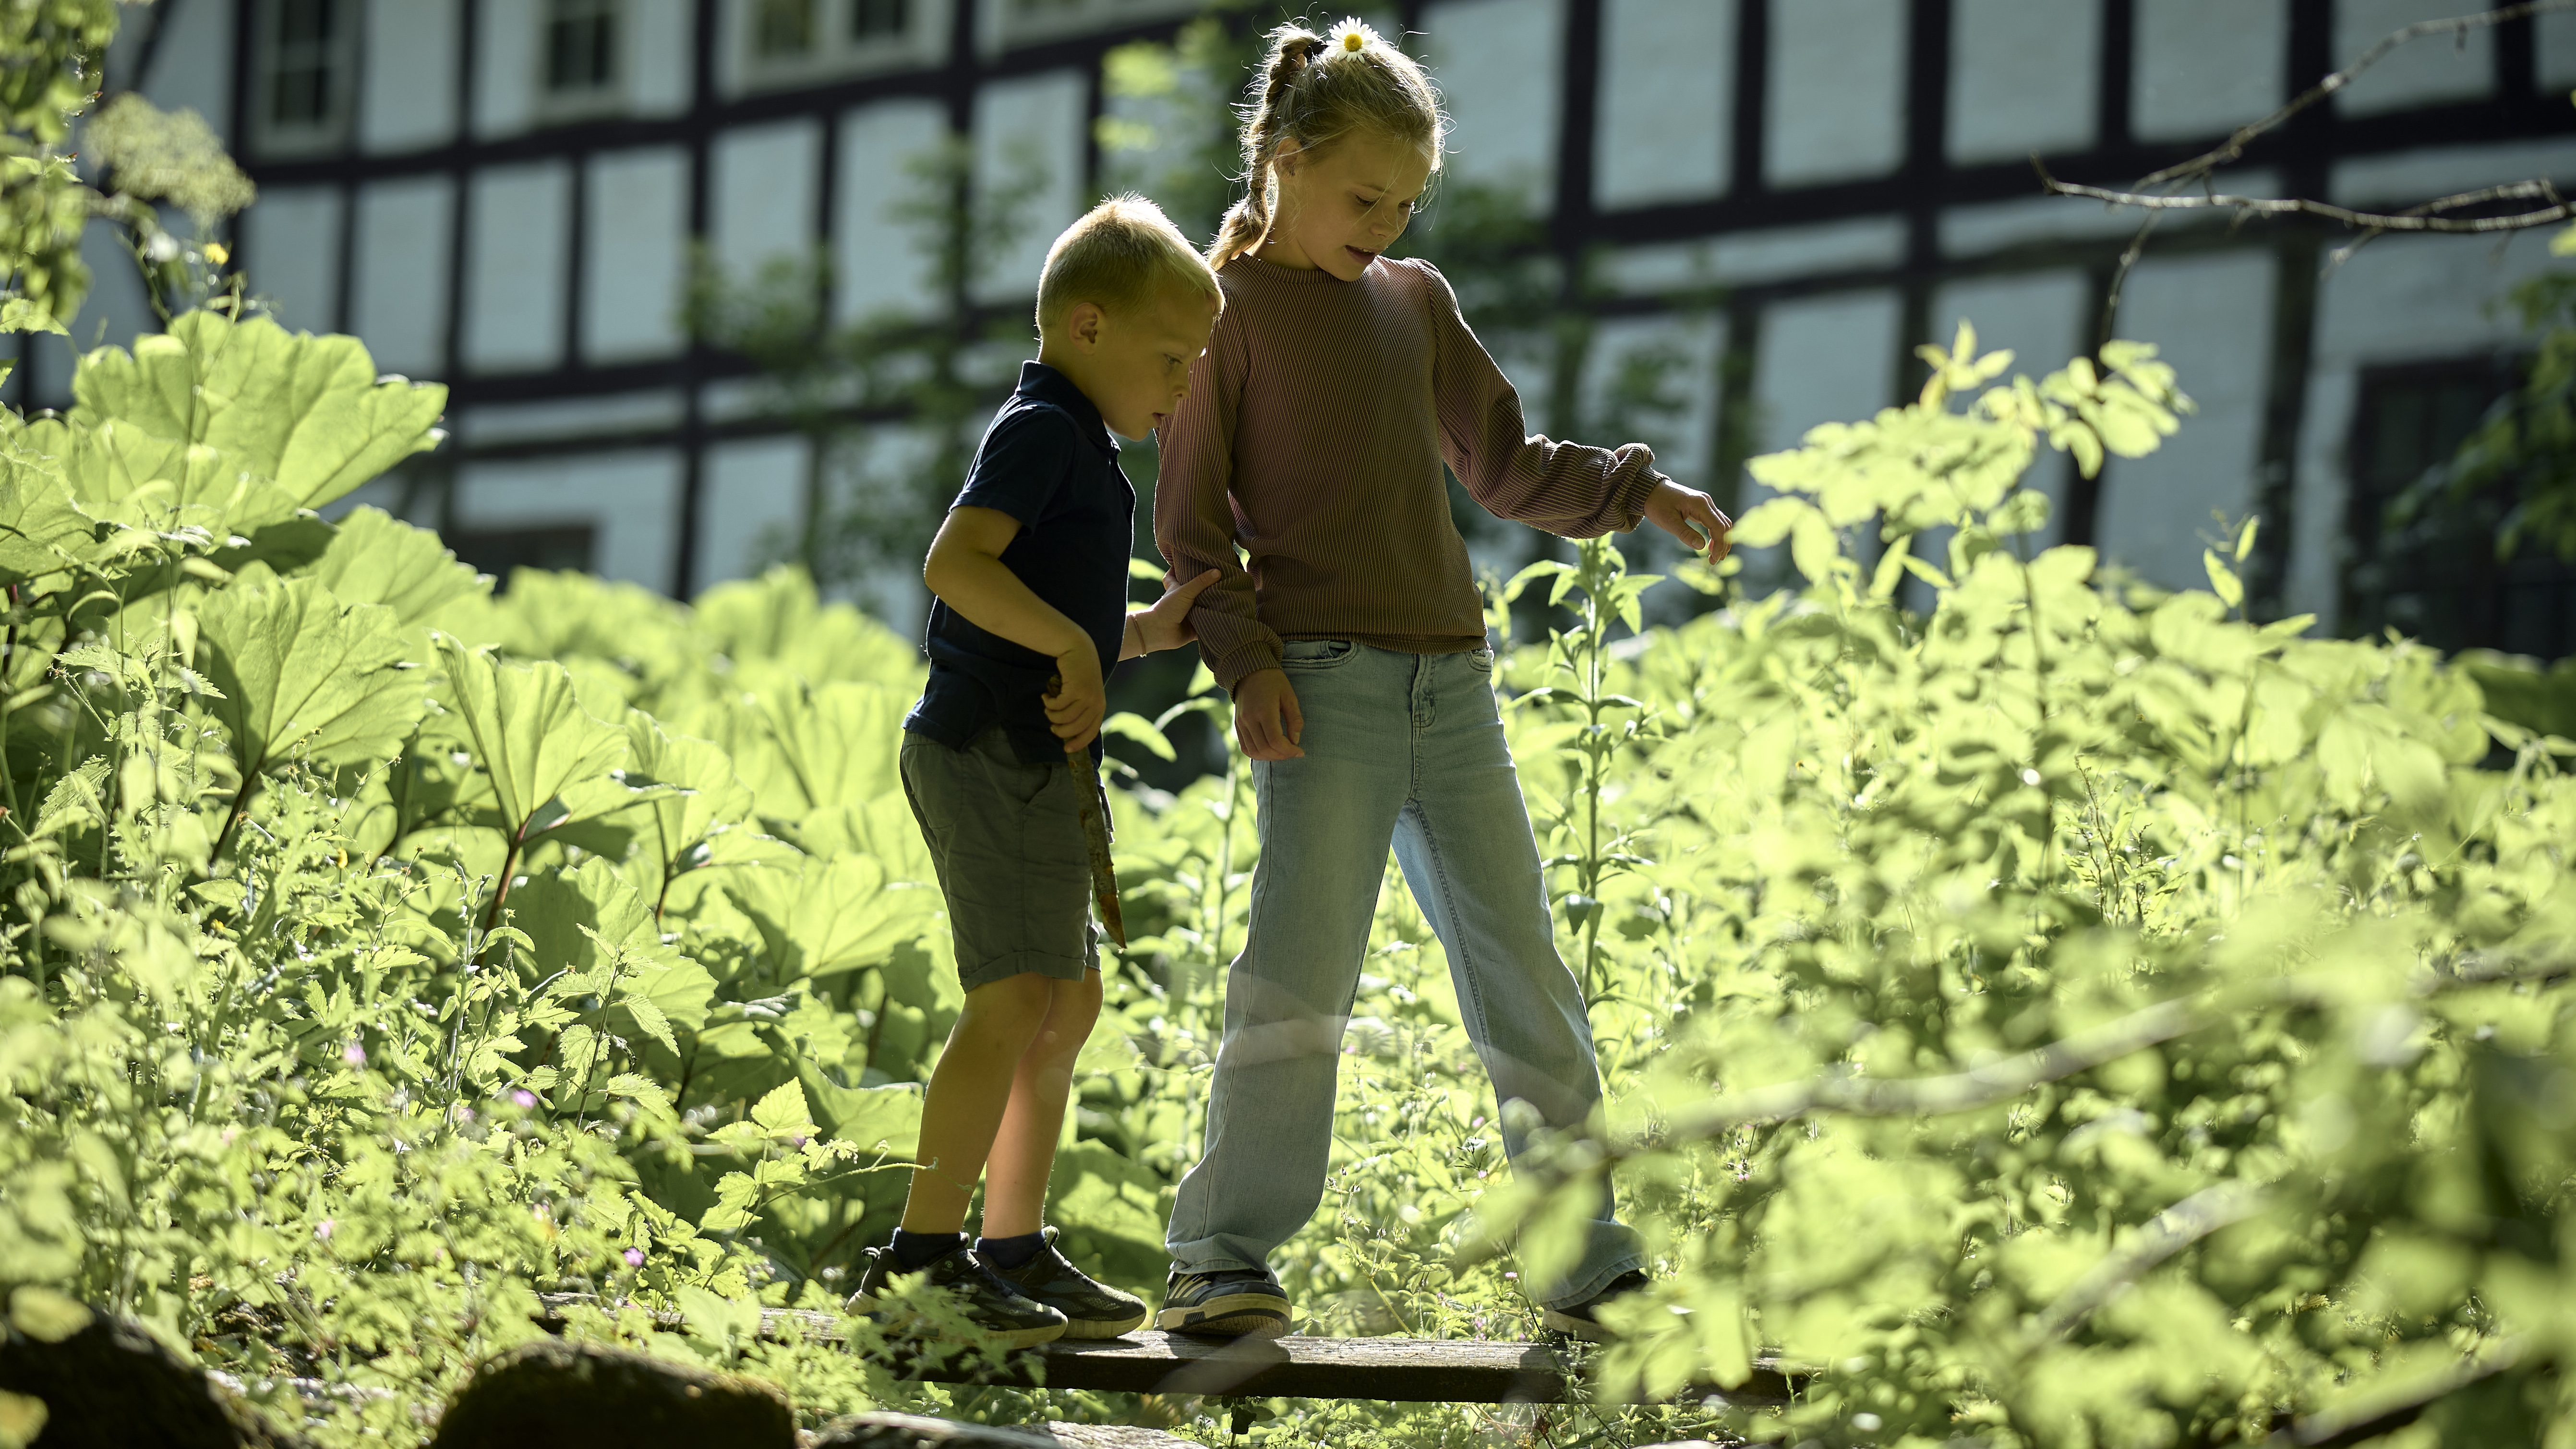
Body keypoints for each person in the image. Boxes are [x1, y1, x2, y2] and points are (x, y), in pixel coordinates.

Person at [1150, 18, 1733, 1343]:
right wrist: (1244, 662)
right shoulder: (1217, 313)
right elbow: (1189, 532)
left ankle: (1587, 1261)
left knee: (1523, 969)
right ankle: (1218, 1256)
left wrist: (1635, 493)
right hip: (1322, 687)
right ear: (1283, 161)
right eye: (1363, 196)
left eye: (1405, 201)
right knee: (1298, 976)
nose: (1385, 221)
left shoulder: (1411, 301)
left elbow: (1507, 461)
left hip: (1452, 685)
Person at [849, 195, 1225, 1346]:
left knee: (1066, 1002)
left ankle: (1011, 1250)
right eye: (1171, 360)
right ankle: (918, 1265)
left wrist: (1147, 630)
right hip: (980, 747)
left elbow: (1053, 610)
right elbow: (956, 565)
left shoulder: (1084, 443)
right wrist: (1069, 643)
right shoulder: (1043, 428)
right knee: (1014, 998)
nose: (1181, 388)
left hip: (1029, 754)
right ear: (1089, 328)